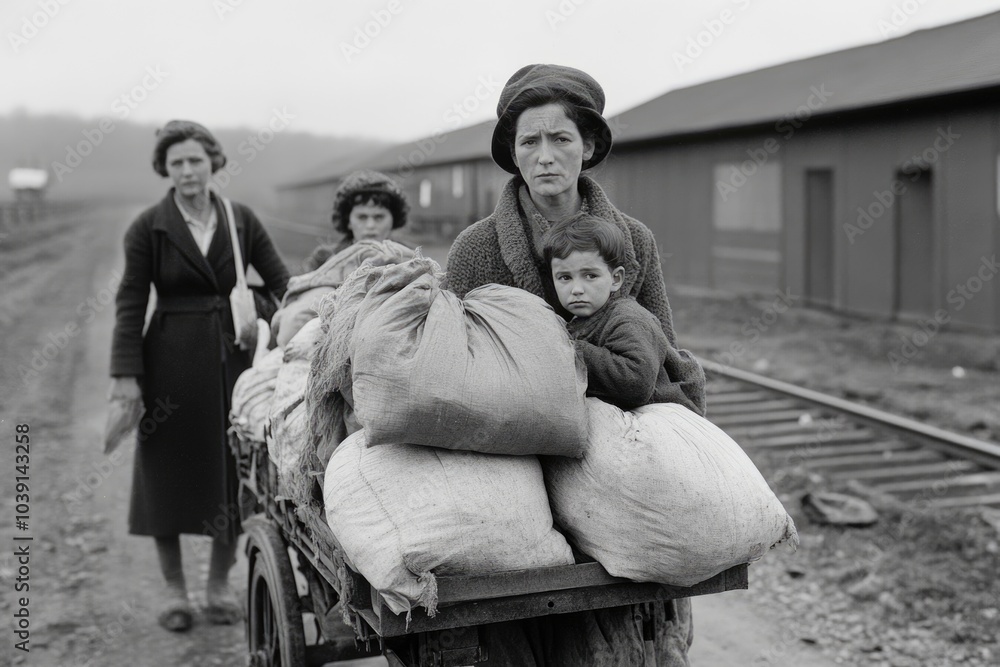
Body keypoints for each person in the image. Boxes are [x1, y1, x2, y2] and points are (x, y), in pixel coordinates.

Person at [446, 63, 704, 666]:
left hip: (611, 453)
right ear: (512, 153)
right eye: (528, 142)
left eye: (561, 138)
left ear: (587, 146)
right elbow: (455, 371)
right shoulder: (476, 249)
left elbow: (661, 347)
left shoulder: (633, 240)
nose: (545, 157)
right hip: (514, 453)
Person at [109, 120, 290, 632]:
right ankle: (175, 591)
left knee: (229, 473)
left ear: (213, 162)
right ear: (164, 169)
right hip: (167, 364)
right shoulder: (148, 227)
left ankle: (216, 587)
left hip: (232, 364)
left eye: (195, 160)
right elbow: (129, 302)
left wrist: (300, 327)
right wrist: (125, 376)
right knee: (164, 473)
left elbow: (281, 282)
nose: (187, 171)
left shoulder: (241, 219)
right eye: (176, 163)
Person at [545, 212, 702, 414]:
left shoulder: (629, 318)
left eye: (590, 275)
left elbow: (637, 382)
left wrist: (571, 351)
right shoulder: (581, 319)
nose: (576, 289)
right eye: (565, 277)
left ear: (616, 279)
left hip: (660, 415)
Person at [300, 169, 410, 273]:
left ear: (393, 220)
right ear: (348, 221)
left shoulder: (409, 260)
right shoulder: (323, 259)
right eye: (362, 217)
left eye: (379, 217)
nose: (370, 225)